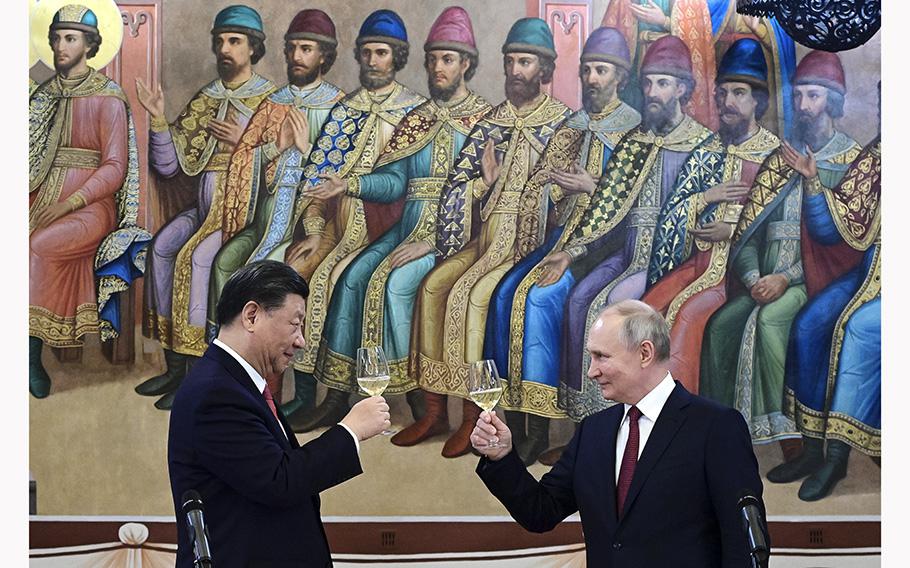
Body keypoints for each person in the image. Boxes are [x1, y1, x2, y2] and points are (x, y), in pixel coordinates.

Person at [471, 299, 766, 566]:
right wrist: (502, 457)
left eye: (601, 357)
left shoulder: (716, 427)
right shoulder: (593, 431)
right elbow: (540, 512)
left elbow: (743, 544)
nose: (591, 372)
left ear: (645, 353)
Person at [311, 7, 492, 426]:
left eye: (447, 59)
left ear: (466, 63)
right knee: (353, 277)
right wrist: (351, 185)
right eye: (432, 60)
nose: (437, 68)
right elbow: (394, 183)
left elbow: (489, 194)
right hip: (405, 229)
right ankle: (338, 394)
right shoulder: (418, 119)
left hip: (458, 238)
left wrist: (435, 241)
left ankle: (417, 402)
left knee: (395, 285)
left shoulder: (486, 120)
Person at [401, 17, 571, 458]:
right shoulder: (494, 121)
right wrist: (487, 183)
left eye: (526, 62)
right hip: (484, 241)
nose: (516, 70)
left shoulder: (565, 126)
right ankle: (437, 410)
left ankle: (477, 416)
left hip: (528, 245)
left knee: (471, 297)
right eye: (511, 61)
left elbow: (563, 199)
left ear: (545, 69)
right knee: (434, 286)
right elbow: (459, 186)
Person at [478, 26, 641, 465]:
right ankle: (516, 422)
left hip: (607, 245)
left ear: (620, 78)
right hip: (562, 235)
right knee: (505, 293)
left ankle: (545, 422)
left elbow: (641, 204)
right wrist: (552, 192)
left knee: (541, 298)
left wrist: (595, 186)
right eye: (586, 69)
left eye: (601, 70)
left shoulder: (636, 130)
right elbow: (544, 185)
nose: (591, 78)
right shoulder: (575, 124)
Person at [168, 260, 390, 567]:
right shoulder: (215, 393)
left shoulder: (235, 383)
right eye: (295, 324)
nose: (301, 341)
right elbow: (278, 480)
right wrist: (350, 430)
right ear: (252, 315)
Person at [699, 50, 861, 444]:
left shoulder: (851, 161)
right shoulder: (779, 159)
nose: (804, 106)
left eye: (815, 96)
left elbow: (843, 248)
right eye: (800, 95)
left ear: (833, 102)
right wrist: (754, 276)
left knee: (771, 322)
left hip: (814, 282)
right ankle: (721, 431)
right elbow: (750, 235)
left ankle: (785, 434)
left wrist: (784, 279)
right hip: (764, 280)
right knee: (720, 326)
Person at [279, 9, 426, 431]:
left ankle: (340, 395)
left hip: (393, 229)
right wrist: (314, 229)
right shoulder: (345, 111)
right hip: (339, 228)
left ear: (397, 58)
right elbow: (316, 178)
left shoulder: (414, 113)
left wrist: (351, 185)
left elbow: (399, 186)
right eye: (366, 53)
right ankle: (308, 393)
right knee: (299, 270)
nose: (372, 61)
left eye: (381, 53)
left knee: (345, 281)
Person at [206, 9, 346, 414]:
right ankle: (232, 374)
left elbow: (342, 178)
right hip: (266, 218)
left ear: (324, 56)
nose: (296, 57)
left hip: (308, 223)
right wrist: (277, 149)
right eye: (292, 49)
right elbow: (245, 164)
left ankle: (287, 390)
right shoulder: (272, 105)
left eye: (306, 49)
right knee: (223, 265)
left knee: (271, 280)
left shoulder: (338, 108)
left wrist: (305, 154)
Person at [137, 5, 276, 410]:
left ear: (253, 48)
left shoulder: (271, 100)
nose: (224, 50)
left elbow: (284, 168)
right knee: (162, 248)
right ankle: (174, 363)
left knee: (198, 259)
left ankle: (198, 372)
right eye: (219, 42)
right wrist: (160, 119)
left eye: (234, 41)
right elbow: (169, 165)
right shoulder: (207, 97)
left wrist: (244, 143)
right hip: (203, 210)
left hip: (242, 214)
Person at [642, 38, 780, 393]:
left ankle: (682, 419)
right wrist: (704, 198)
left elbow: (780, 230)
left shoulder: (774, 157)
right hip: (698, 265)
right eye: (722, 93)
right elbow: (673, 213)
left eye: (738, 93)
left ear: (758, 101)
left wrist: (732, 231)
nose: (727, 103)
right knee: (645, 313)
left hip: (740, 276)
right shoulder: (707, 150)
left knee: (687, 317)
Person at [29, 3, 150, 398]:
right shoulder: (45, 95)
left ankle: (29, 356)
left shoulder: (108, 98)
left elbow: (115, 169)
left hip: (91, 207)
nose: (60, 46)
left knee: (38, 246)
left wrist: (68, 203)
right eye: (56, 38)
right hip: (40, 192)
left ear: (90, 44)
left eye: (70, 38)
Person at [769, 125, 881, 501]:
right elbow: (832, 230)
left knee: (858, 330)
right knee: (809, 325)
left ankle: (837, 456)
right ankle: (812, 449)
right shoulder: (878, 155)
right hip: (871, 273)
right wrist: (813, 181)